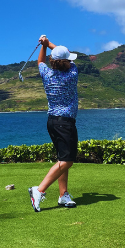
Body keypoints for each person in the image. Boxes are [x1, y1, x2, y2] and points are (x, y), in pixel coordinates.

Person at [29, 35, 79, 212]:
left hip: (52, 122)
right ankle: (39, 190)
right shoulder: (72, 74)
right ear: (66, 61)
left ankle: (63, 195)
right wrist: (49, 43)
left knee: (62, 158)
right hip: (65, 123)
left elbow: (41, 62)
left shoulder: (46, 74)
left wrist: (43, 45)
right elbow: (60, 58)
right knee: (67, 161)